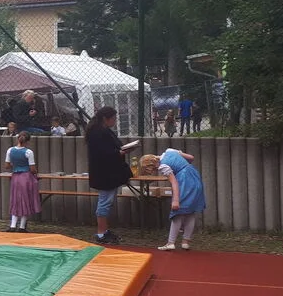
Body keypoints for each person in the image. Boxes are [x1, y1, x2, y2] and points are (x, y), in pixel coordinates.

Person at [85, 106, 135, 244]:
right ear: (105, 119)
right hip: (104, 173)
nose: (114, 121)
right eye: (113, 118)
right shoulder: (97, 133)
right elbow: (101, 154)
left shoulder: (103, 131)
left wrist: (121, 150)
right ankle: (101, 233)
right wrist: (119, 153)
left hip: (109, 172)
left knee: (107, 201)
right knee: (105, 201)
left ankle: (104, 230)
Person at [141, 149, 206, 251]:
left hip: (184, 182)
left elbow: (174, 183)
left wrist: (175, 200)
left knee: (177, 213)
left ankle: (171, 243)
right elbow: (191, 158)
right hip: (194, 177)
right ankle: (186, 242)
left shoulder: (163, 166)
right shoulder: (169, 151)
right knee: (190, 212)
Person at [5, 132, 40, 233]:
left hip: (15, 177)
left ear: (17, 139)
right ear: (28, 141)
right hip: (26, 177)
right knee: (26, 200)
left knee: (15, 200)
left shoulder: (10, 150)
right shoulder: (28, 152)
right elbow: (32, 168)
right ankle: (22, 226)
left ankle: (12, 225)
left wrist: (16, 165)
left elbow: (7, 166)